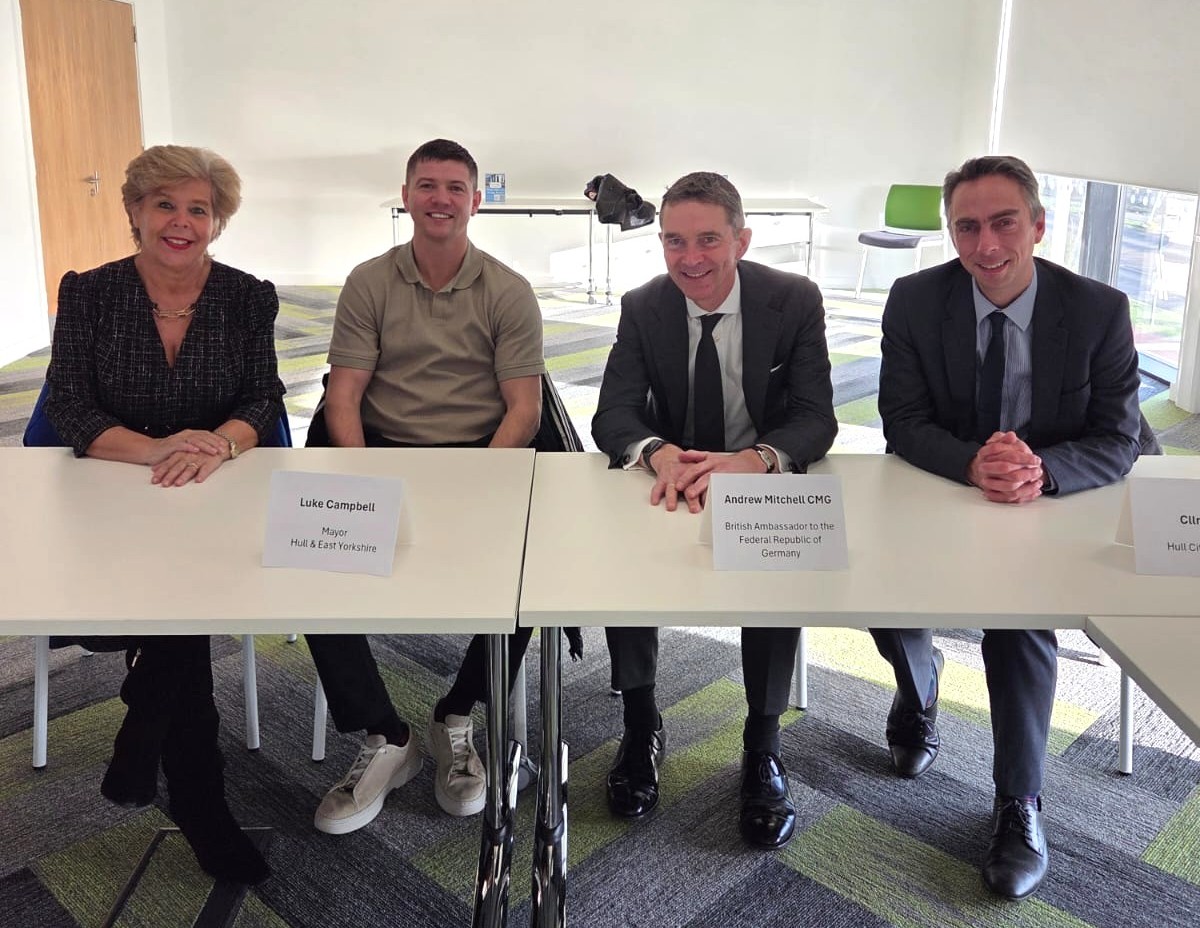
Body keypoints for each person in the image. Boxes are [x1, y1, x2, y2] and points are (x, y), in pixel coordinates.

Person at [873, 154, 1145, 900]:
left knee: (1018, 624)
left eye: (1004, 223)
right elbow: (901, 421)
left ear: (1038, 225)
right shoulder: (915, 299)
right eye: (967, 226)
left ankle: (1018, 803)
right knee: (869, 580)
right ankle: (918, 688)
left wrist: (1041, 470)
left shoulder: (1098, 310)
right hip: (949, 490)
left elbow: (1119, 438)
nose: (985, 245)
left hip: (1046, 503)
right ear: (949, 230)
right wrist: (972, 465)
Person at [45, 144, 285, 884]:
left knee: (182, 597)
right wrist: (155, 450)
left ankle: (148, 717)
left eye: (199, 209)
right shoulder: (91, 293)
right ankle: (199, 797)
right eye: (165, 206)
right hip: (116, 495)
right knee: (180, 610)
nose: (182, 223)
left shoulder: (248, 297)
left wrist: (217, 443)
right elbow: (71, 407)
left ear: (218, 222)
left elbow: (261, 400)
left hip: (214, 496)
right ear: (135, 213)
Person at [305, 139, 546, 834]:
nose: (440, 198)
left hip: (480, 455)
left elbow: (523, 410)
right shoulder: (369, 281)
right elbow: (343, 397)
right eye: (426, 185)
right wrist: (362, 486)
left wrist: (472, 486)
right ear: (406, 195)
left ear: (477, 200)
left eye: (455, 187)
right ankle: (387, 736)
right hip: (377, 453)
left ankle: (456, 715)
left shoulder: (507, 290)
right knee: (315, 568)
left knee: (531, 578)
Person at [591, 172, 837, 849]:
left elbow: (817, 417)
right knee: (625, 562)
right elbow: (611, 413)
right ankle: (642, 728)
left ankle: (761, 746)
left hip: (754, 475)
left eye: (707, 240)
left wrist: (754, 460)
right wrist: (658, 452)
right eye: (673, 240)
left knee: (774, 574)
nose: (689, 259)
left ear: (742, 239)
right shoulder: (644, 306)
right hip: (675, 479)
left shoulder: (791, 300)